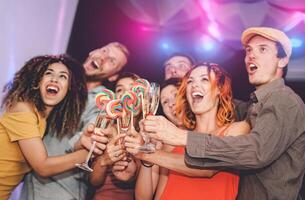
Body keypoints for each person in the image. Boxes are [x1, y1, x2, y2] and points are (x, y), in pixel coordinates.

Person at [143, 27, 305, 200]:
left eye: (262, 49)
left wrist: (182, 137)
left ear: (282, 60)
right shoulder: (251, 106)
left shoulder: (284, 100)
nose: (251, 55)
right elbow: (214, 101)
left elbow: (256, 152)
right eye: (248, 50)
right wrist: (187, 83)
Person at [20, 42, 129, 200]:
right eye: (104, 50)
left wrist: (84, 140)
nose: (103, 57)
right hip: (30, 185)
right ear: (93, 50)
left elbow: (91, 134)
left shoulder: (103, 101)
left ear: (113, 76)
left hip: (61, 190)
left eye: (112, 61)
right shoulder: (60, 84)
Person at [126, 63, 250, 200]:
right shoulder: (171, 142)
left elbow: (207, 168)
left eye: (204, 79)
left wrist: (144, 153)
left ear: (220, 89)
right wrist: (146, 146)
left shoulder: (237, 130)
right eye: (190, 81)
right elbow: (144, 198)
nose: (194, 85)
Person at [0, 54, 89, 199]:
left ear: (69, 90)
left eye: (63, 76)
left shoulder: (41, 121)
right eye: (49, 73)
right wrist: (89, 155)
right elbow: (43, 167)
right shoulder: (23, 108)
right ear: (37, 82)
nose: (54, 79)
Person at [90, 72, 140, 200]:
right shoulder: (104, 131)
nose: (125, 94)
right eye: (119, 89)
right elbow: (94, 182)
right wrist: (104, 160)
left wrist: (134, 171)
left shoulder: (150, 135)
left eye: (131, 89)